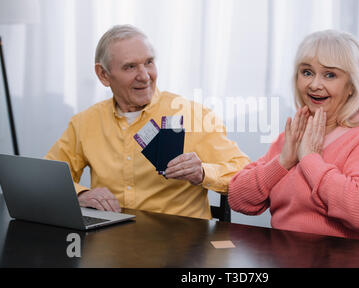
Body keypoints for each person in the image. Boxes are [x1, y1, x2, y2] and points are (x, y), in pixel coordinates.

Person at [45, 24, 250, 220]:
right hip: (111, 241)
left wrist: (204, 172)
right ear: (103, 75)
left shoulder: (194, 115)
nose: (144, 76)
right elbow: (48, 177)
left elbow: (245, 173)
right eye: (130, 67)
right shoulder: (84, 123)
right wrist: (81, 195)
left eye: (149, 62)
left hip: (181, 245)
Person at [228, 30, 359, 243]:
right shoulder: (294, 134)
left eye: (329, 75)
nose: (314, 84)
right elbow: (238, 199)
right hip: (289, 257)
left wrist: (310, 160)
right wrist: (284, 161)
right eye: (307, 72)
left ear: (351, 85)